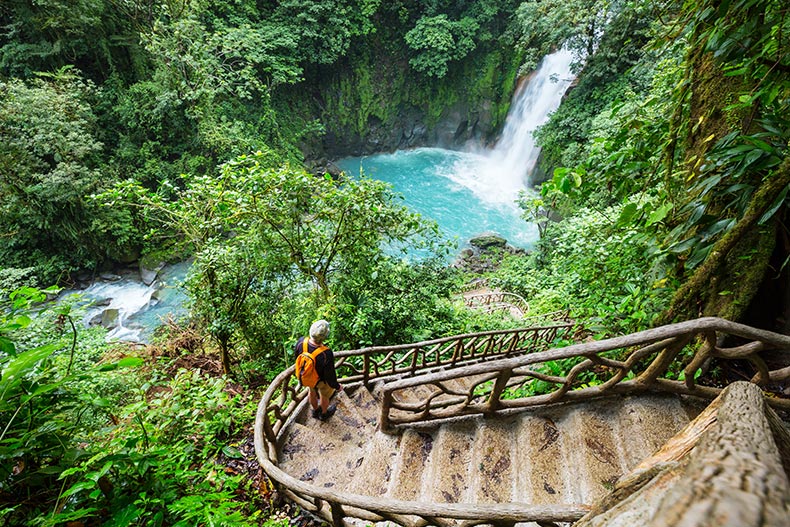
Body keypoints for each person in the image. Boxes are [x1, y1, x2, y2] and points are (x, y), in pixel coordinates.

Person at [295, 320, 342, 420]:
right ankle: (324, 414)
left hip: (307, 377)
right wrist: (337, 386)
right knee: (324, 396)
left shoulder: (301, 342)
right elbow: (330, 375)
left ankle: (316, 410)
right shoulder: (326, 353)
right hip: (321, 381)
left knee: (311, 391)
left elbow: (297, 358)